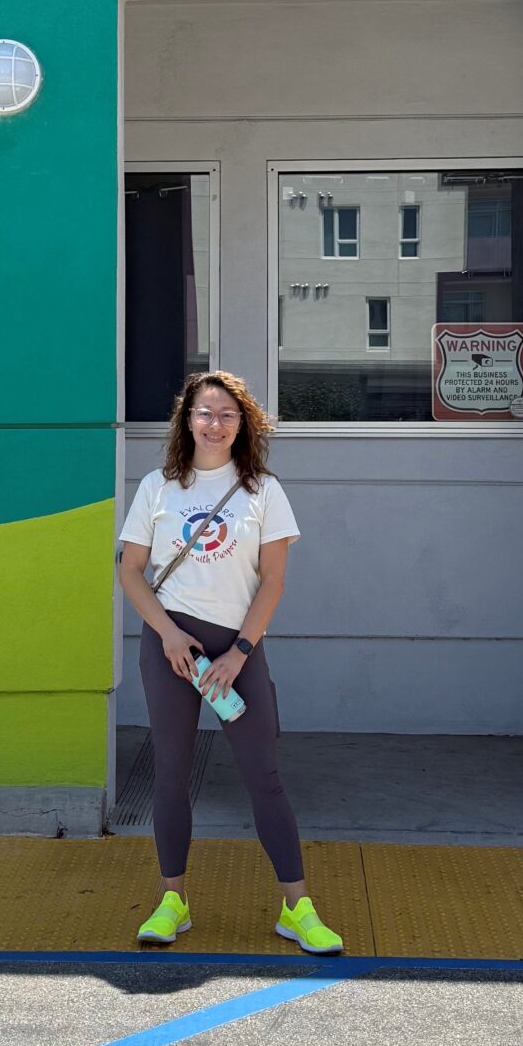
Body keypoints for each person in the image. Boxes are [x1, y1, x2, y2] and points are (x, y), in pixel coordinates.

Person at [118, 370, 342, 955]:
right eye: (204, 413)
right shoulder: (158, 487)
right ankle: (172, 901)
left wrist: (240, 652)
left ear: (244, 424)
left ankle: (297, 908)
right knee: (170, 774)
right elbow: (130, 572)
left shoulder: (262, 490)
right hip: (171, 649)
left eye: (227, 414)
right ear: (186, 420)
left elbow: (273, 581)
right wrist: (168, 636)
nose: (214, 424)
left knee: (263, 776)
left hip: (235, 651)